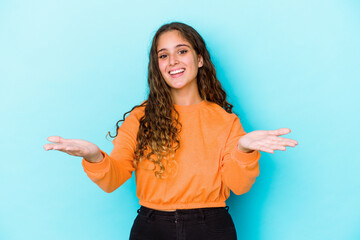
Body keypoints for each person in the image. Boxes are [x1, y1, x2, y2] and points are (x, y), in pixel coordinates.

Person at [44, 22, 298, 240]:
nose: (173, 61)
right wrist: (94, 156)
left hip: (211, 227)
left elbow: (239, 186)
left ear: (199, 59)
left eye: (182, 51)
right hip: (152, 228)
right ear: (157, 66)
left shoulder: (225, 121)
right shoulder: (140, 117)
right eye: (163, 55)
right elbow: (114, 178)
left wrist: (244, 150)